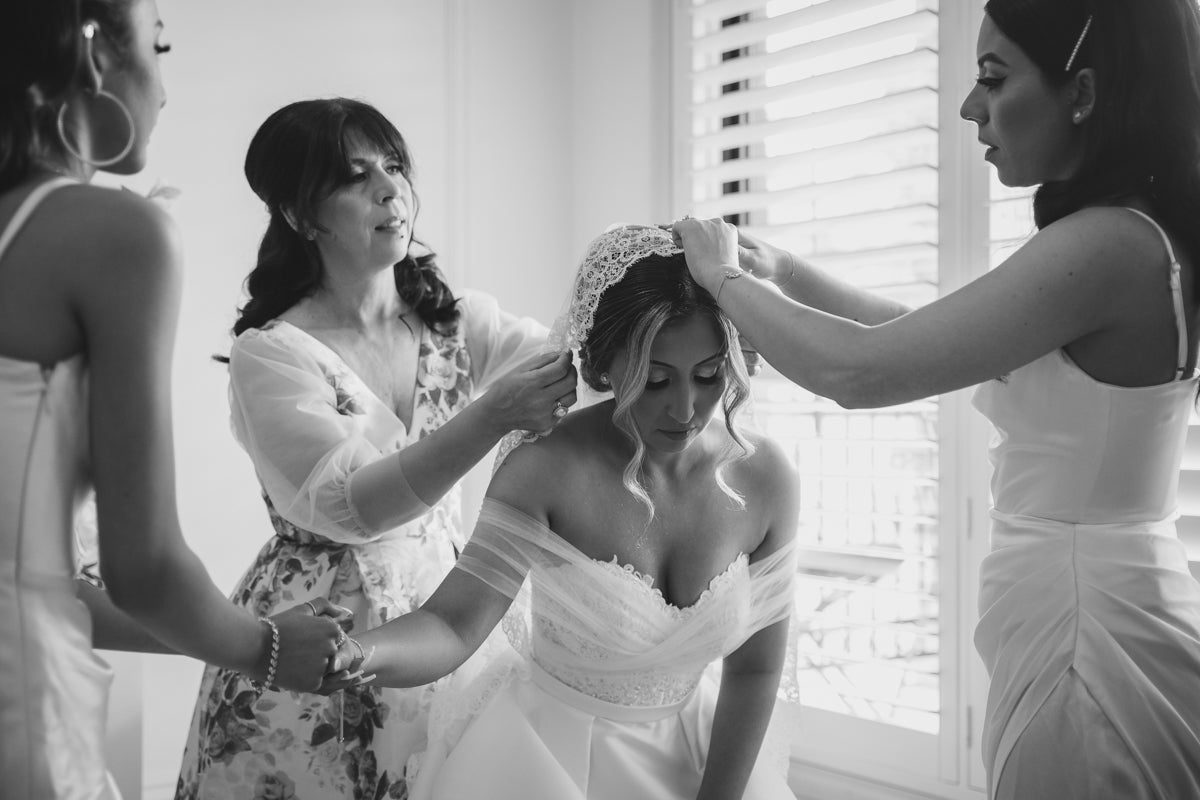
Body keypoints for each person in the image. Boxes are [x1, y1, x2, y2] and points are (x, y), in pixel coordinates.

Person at [672, 0, 1200, 797]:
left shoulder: (1110, 245)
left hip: (1083, 628)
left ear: (1083, 92)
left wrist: (722, 278)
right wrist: (782, 271)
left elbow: (863, 371)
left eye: (993, 77)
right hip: (1092, 596)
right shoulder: (1133, 237)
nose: (967, 107)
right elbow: (925, 335)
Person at [174, 98, 577, 799]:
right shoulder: (269, 354)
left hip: (451, 620)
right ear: (302, 216)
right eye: (355, 177)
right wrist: (492, 416)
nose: (389, 189)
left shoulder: (459, 324)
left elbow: (576, 375)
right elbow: (353, 507)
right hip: (314, 642)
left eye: (394, 168)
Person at [318, 224, 800, 800]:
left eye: (708, 375)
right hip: (550, 762)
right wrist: (357, 652)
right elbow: (453, 624)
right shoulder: (544, 467)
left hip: (704, 759)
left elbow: (755, 670)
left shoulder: (766, 477)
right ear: (602, 366)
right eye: (654, 379)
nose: (686, 408)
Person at [0, 3, 347, 799]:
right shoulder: (116, 236)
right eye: (158, 46)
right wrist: (266, 647)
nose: (166, 88)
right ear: (94, 55)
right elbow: (144, 566)